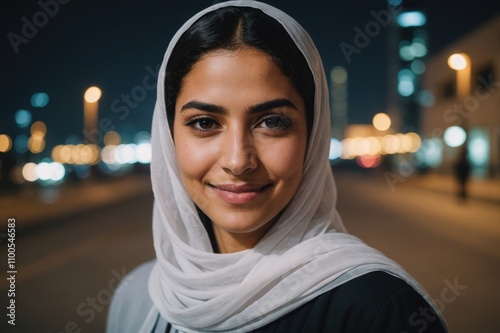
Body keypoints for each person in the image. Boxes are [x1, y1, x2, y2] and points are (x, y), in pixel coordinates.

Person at [106, 1, 448, 332]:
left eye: (271, 122)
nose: (238, 161)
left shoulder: (379, 311)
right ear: (168, 137)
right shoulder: (138, 298)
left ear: (313, 135)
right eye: (205, 123)